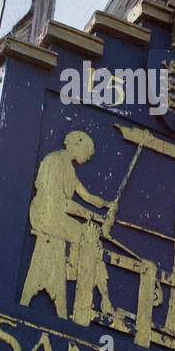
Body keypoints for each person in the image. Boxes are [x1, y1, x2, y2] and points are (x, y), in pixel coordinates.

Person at [19, 130, 115, 322]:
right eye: (87, 153)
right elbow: (60, 203)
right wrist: (94, 217)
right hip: (44, 214)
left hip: (56, 215)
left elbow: (86, 196)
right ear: (77, 144)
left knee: (89, 237)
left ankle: (99, 293)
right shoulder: (54, 161)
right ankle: (76, 272)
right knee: (86, 235)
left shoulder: (69, 168)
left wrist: (106, 205)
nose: (88, 158)